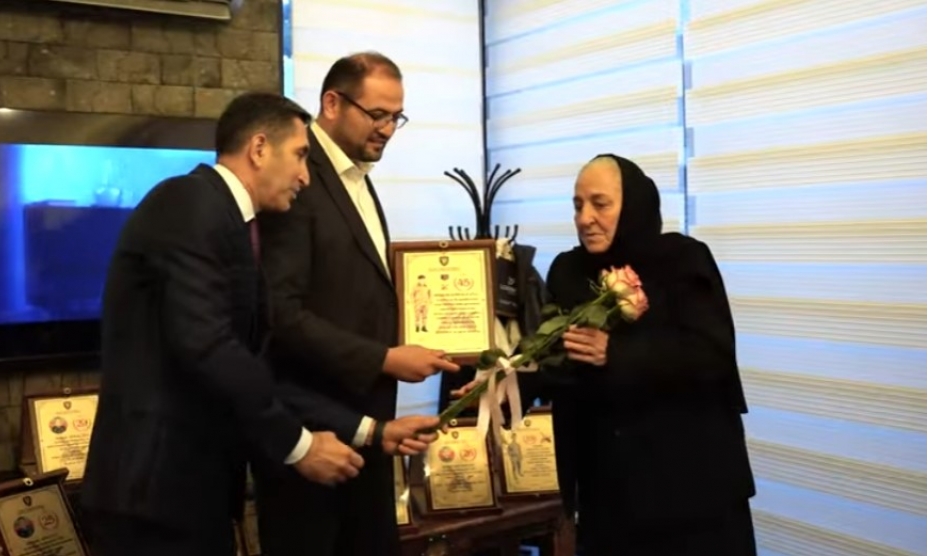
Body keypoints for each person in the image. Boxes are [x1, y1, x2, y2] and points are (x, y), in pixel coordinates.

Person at [80, 92, 365, 556]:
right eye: (299, 155)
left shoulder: (230, 220)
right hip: (154, 496)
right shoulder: (188, 202)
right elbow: (208, 346)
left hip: (189, 493)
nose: (305, 176)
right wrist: (299, 447)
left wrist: (366, 430)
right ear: (259, 148)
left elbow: (255, 364)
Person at [459, 154, 757, 555]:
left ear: (633, 205)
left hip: (692, 491)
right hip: (607, 494)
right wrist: (505, 389)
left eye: (600, 204)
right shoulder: (569, 270)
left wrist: (616, 352)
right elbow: (558, 361)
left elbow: (711, 353)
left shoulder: (683, 260)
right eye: (577, 205)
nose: (585, 218)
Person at [253, 51, 460, 556]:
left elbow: (359, 294)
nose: (388, 129)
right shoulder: (296, 178)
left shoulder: (356, 176)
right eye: (377, 114)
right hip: (311, 437)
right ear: (332, 103)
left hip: (370, 430)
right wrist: (384, 358)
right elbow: (281, 315)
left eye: (397, 117)